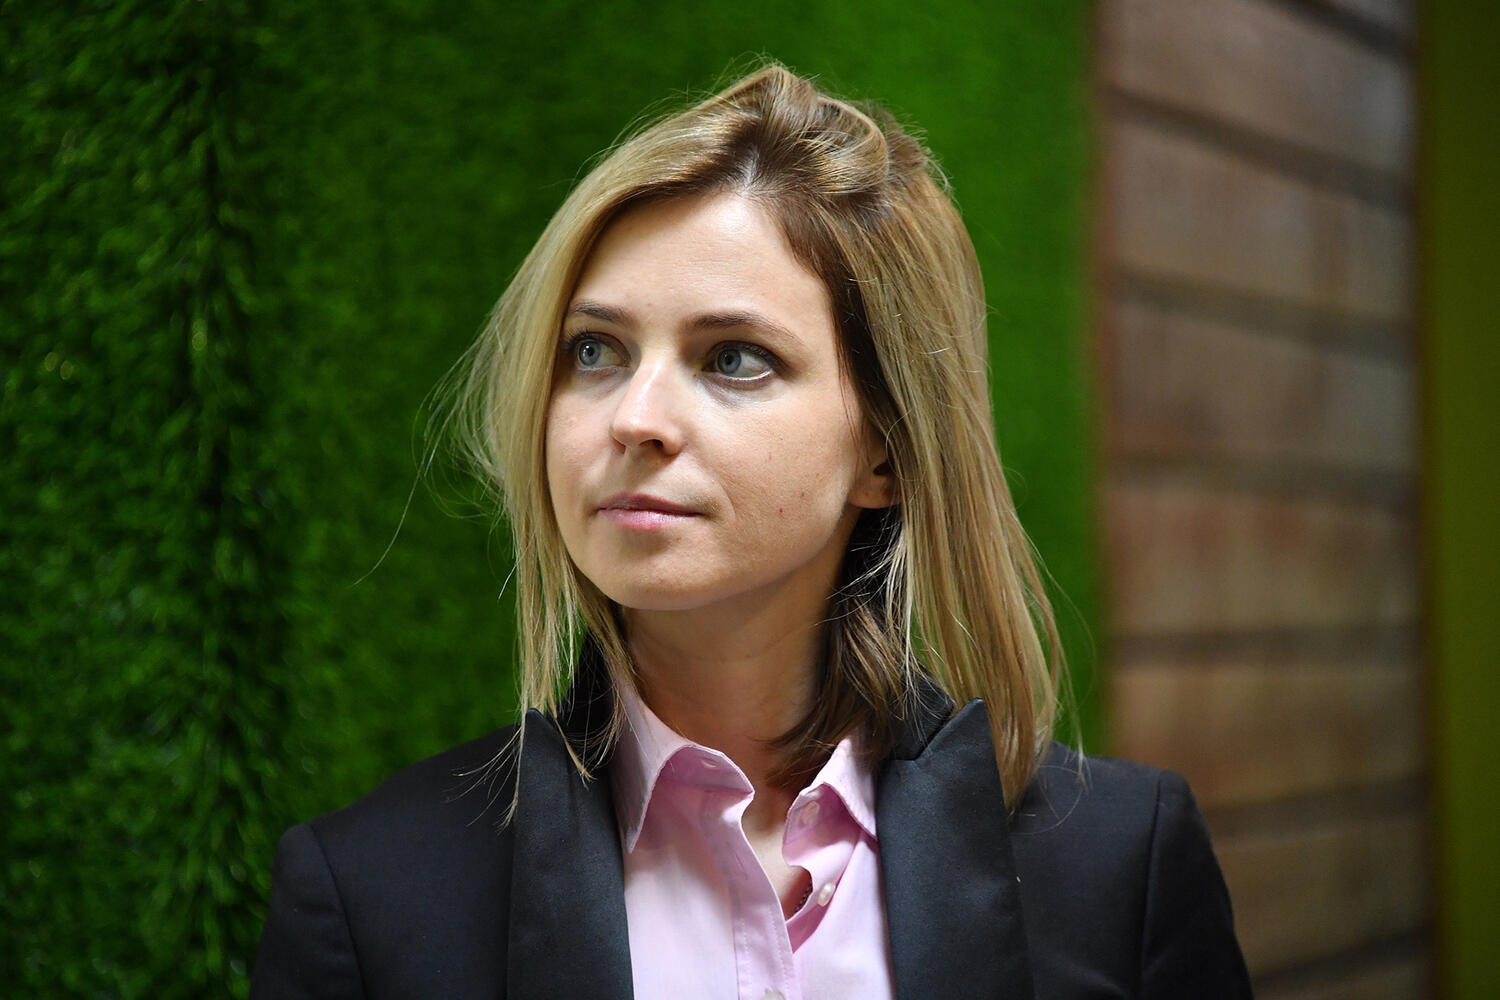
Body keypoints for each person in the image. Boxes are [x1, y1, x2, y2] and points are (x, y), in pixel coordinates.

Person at [251, 64, 1251, 999]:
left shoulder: (1121, 868)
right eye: (594, 350)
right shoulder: (369, 898)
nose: (634, 417)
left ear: (887, 450)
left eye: (732, 357)